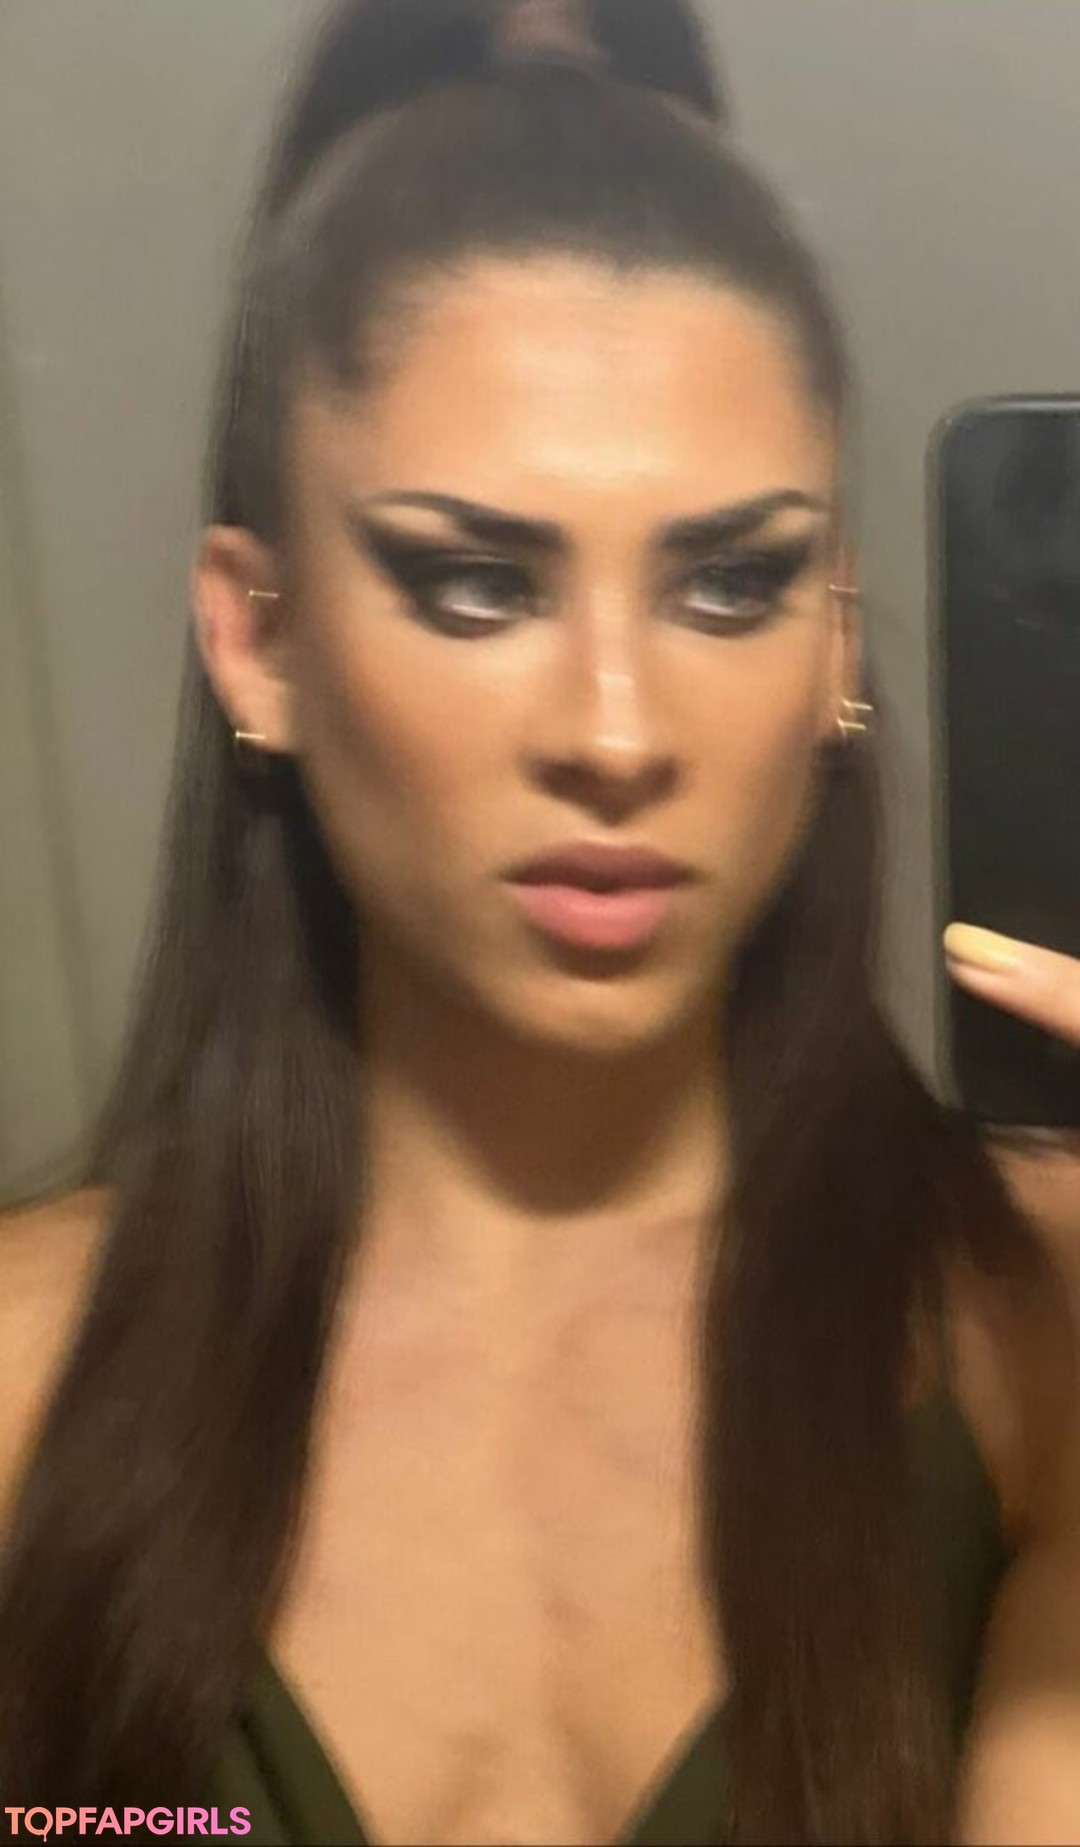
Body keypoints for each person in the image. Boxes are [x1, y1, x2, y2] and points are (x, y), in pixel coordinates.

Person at [1, 1, 1079, 1841]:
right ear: (257, 642)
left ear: (836, 637)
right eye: (476, 584)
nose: (615, 732)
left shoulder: (1041, 1336)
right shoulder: (30, 1378)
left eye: (727, 585)